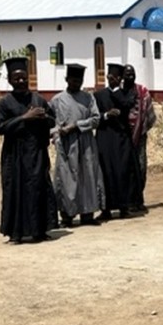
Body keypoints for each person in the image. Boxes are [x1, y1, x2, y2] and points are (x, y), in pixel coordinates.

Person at [0, 57, 58, 243]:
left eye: (24, 78)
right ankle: (16, 232)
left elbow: (53, 121)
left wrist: (43, 116)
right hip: (14, 155)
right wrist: (25, 117)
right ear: (9, 80)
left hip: (36, 152)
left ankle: (40, 230)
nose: (21, 81)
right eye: (17, 79)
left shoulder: (38, 99)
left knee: (38, 188)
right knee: (16, 190)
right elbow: (0, 128)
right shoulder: (4, 103)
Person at [49, 63, 104, 227]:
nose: (76, 83)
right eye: (73, 80)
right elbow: (49, 122)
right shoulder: (57, 100)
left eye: (79, 80)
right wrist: (57, 133)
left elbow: (96, 119)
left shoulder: (88, 98)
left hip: (86, 143)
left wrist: (76, 126)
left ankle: (88, 214)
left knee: (88, 176)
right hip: (66, 145)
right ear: (67, 79)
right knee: (66, 179)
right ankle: (67, 215)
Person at [94, 63, 140, 220]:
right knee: (106, 172)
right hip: (105, 137)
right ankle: (105, 209)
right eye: (109, 77)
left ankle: (124, 206)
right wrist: (106, 115)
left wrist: (116, 90)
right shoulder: (98, 95)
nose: (110, 80)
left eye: (114, 78)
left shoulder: (127, 93)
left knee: (123, 172)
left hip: (121, 139)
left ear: (119, 79)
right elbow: (94, 116)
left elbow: (127, 104)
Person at [125, 64, 155, 212]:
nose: (130, 77)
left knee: (141, 168)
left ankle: (138, 199)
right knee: (126, 169)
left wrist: (139, 129)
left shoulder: (143, 92)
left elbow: (150, 117)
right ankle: (127, 201)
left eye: (132, 74)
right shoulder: (120, 93)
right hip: (123, 138)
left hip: (140, 137)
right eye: (127, 74)